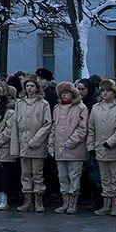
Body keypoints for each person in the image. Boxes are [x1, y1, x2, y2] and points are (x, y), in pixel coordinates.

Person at [89, 81, 116, 218]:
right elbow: (91, 128)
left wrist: (111, 142)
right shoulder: (96, 107)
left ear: (115, 93)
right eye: (103, 91)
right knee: (105, 179)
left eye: (108, 91)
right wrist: (91, 146)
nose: (105, 93)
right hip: (100, 149)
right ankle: (106, 205)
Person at [11, 78, 52, 212]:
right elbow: (14, 126)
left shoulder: (43, 104)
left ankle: (38, 201)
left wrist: (36, 140)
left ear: (37, 88)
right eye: (27, 86)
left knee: (37, 174)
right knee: (25, 174)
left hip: (37, 145)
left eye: (32, 86)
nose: (29, 88)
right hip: (23, 144)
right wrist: (15, 147)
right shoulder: (19, 104)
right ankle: (27, 201)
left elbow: (47, 124)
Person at [48, 83, 89, 216]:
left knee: (74, 176)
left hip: (75, 149)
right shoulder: (57, 108)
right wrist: (51, 144)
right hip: (59, 149)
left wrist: (71, 142)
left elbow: (82, 128)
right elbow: (53, 127)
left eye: (67, 92)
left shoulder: (81, 107)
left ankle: (73, 203)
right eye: (62, 93)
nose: (64, 95)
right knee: (62, 177)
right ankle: (65, 202)